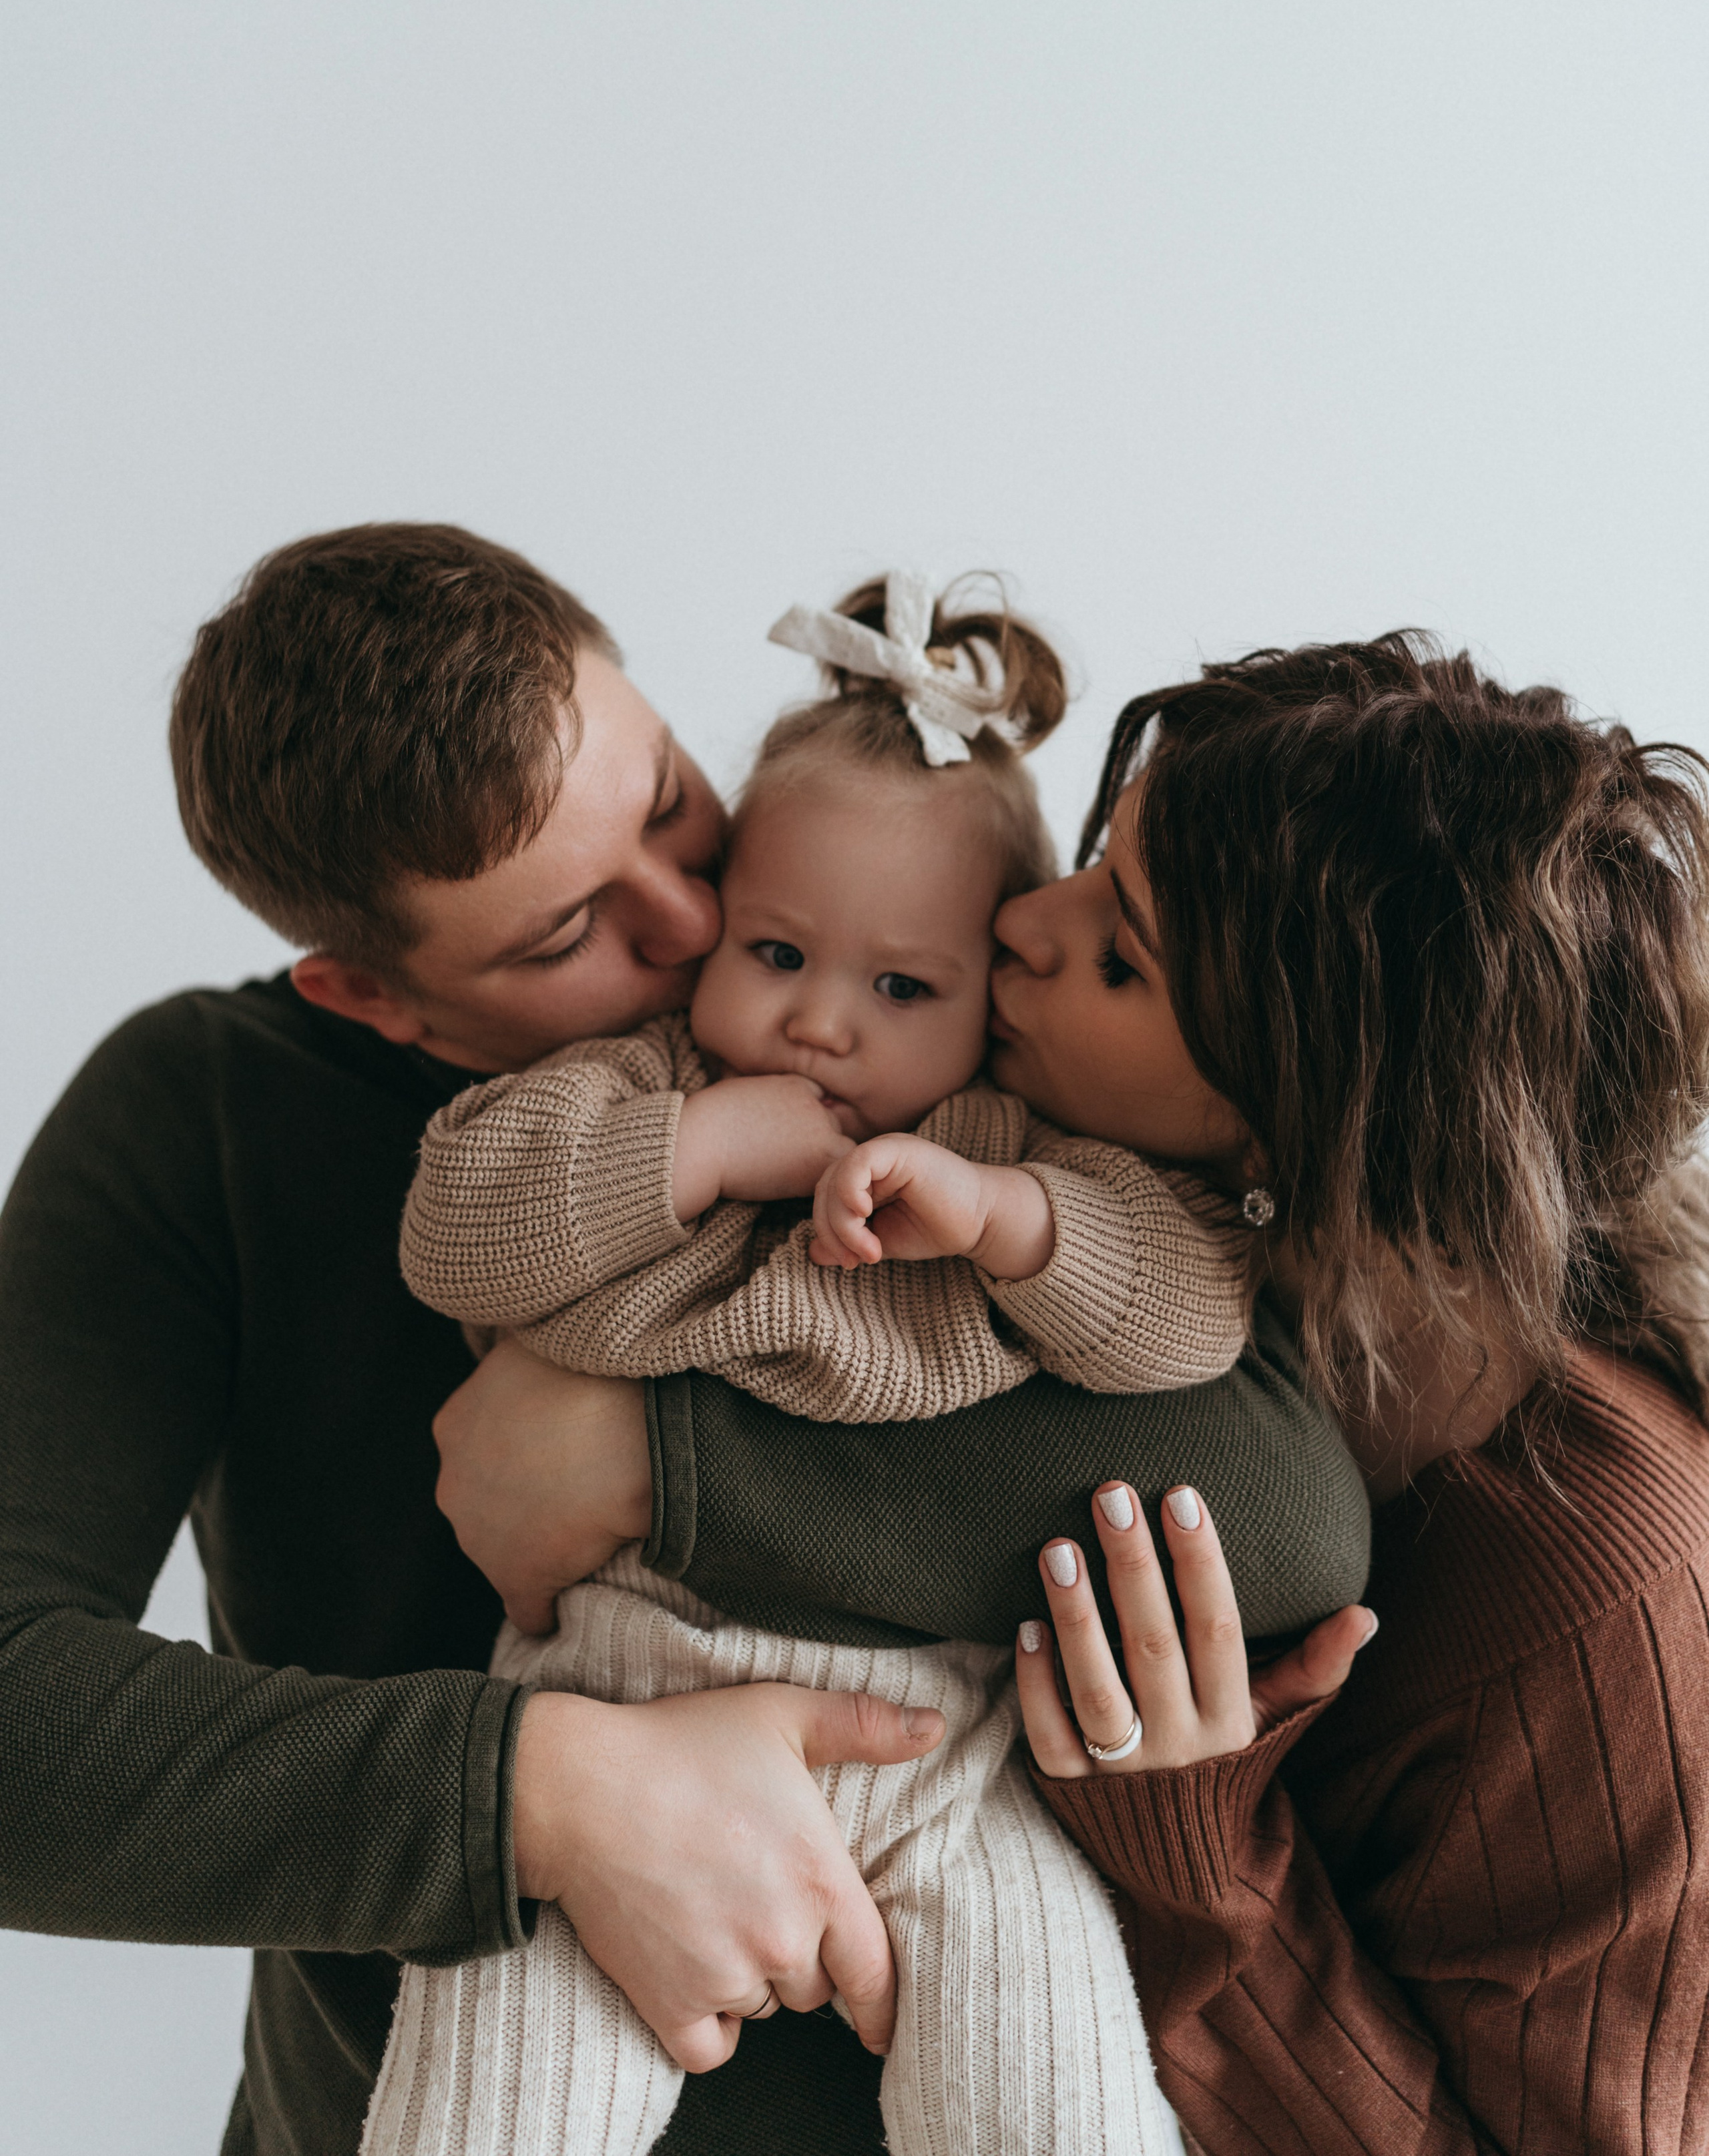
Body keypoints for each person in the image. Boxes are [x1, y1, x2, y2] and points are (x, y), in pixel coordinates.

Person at [0, 525, 1369, 2156]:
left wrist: (658, 1465)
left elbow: (1276, 1496)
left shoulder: (960, 1055)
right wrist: (547, 1794)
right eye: (565, 931)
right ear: (372, 998)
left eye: (665, 802)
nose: (693, 917)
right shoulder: (207, 1115)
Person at [364, 572, 1257, 2156]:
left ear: (990, 996)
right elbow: (456, 1230)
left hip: (949, 1764)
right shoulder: (645, 1083)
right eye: (775, 950)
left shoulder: (1006, 1142)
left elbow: (1193, 1318)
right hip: (614, 1716)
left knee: (1063, 2107)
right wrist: (698, 1143)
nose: (821, 1024)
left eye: (901, 987)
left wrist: (1003, 1220)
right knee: (485, 2101)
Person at [975, 633, 1709, 2155]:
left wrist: (1188, 1847)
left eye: (1120, 955)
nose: (1015, 924)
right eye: (1088, 864)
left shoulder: (1594, 1589)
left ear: (1292, 1132)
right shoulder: (1107, 1217)